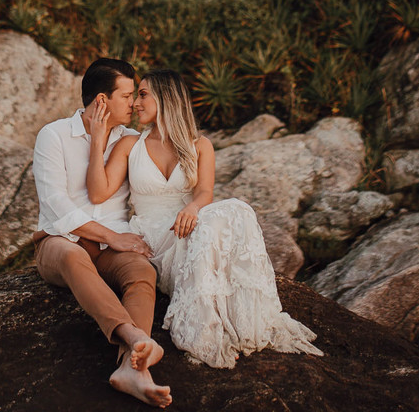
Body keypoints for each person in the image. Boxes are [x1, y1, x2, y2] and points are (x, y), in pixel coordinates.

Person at [86, 68, 323, 369]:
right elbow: (98, 193)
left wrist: (192, 208)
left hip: (192, 224)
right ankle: (205, 330)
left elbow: (205, 192)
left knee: (236, 208)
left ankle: (242, 319)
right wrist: (97, 140)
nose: (135, 103)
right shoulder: (130, 146)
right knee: (220, 217)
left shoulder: (199, 145)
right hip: (156, 233)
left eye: (143, 95)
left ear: (166, 98)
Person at [31, 57, 173, 408]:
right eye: (127, 96)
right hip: (58, 241)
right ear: (101, 101)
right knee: (72, 254)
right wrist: (110, 237)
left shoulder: (131, 140)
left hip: (114, 242)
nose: (134, 104)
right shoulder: (54, 135)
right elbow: (56, 205)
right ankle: (132, 335)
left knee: (142, 270)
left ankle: (132, 368)